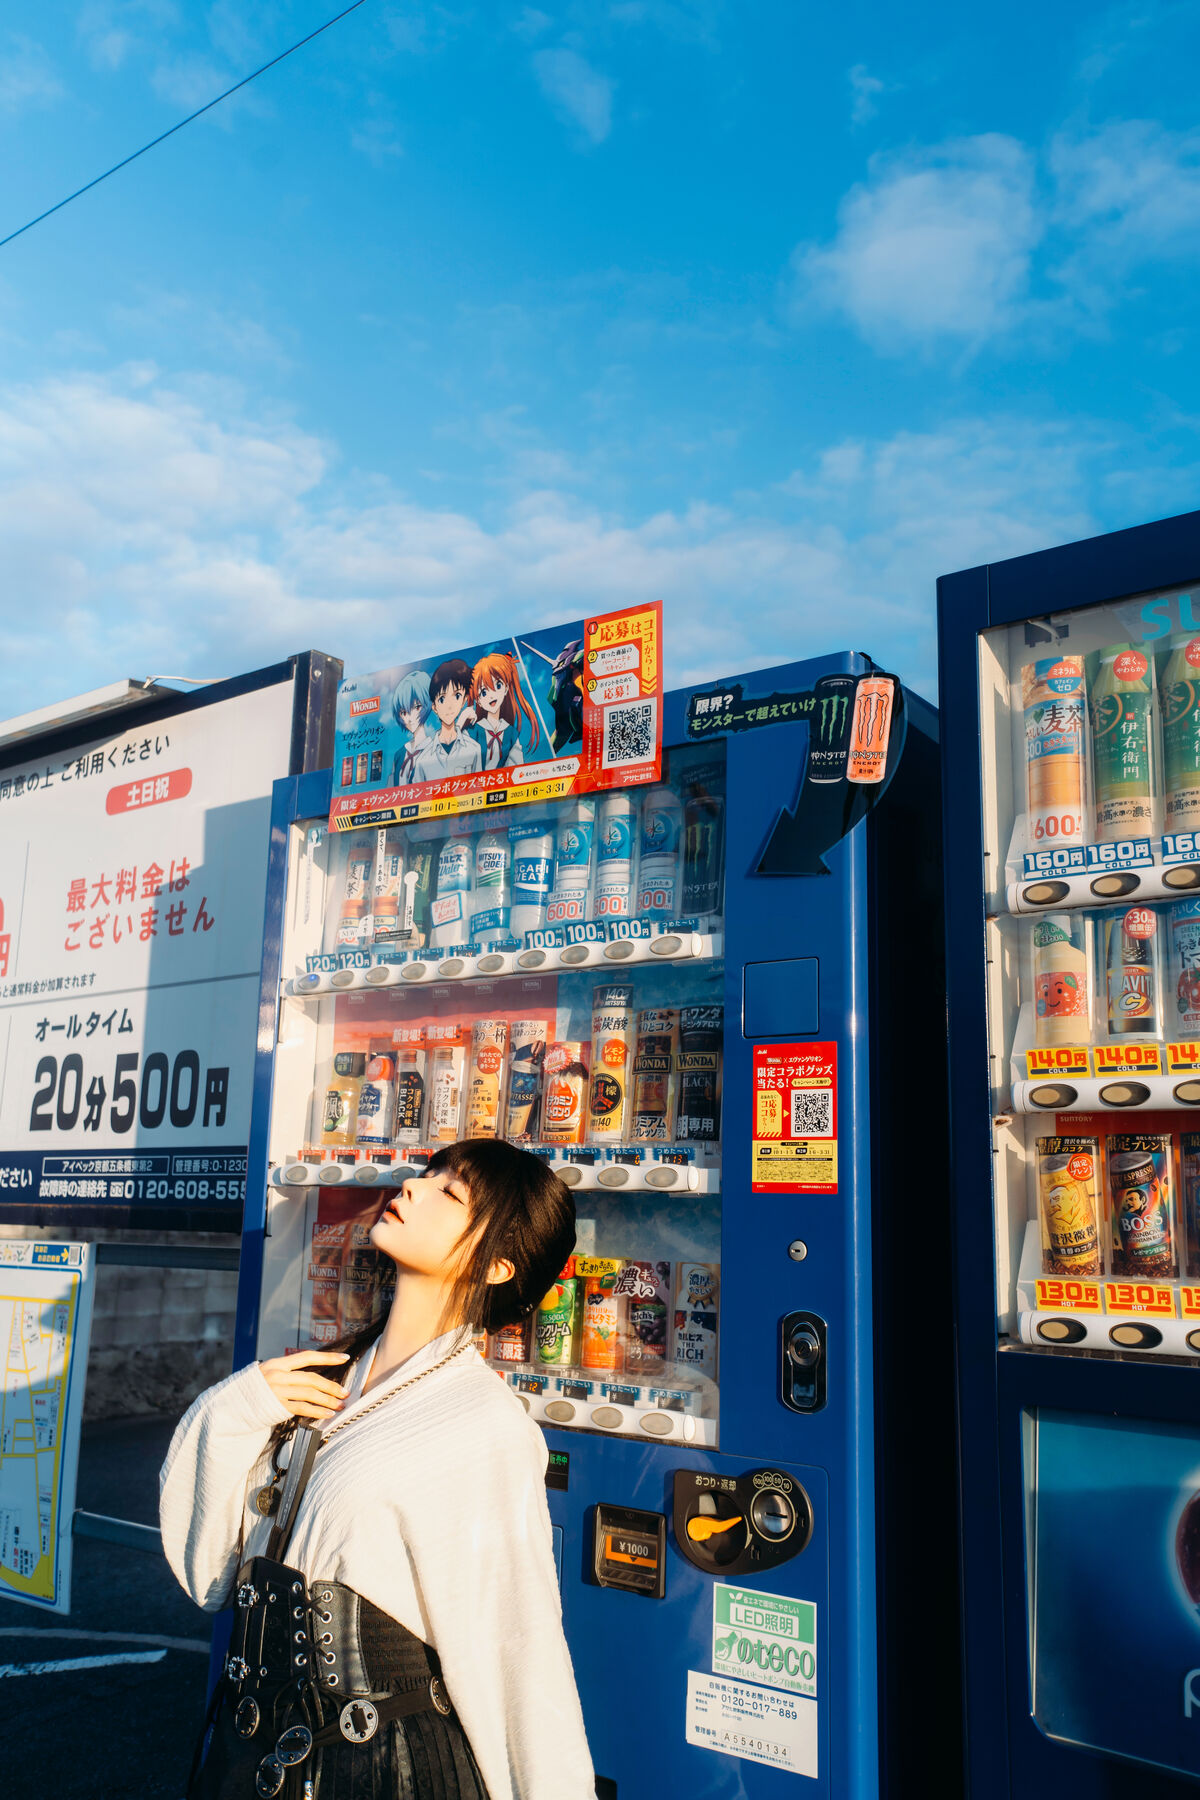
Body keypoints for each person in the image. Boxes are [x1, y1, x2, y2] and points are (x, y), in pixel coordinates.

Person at [160, 1139, 595, 1800]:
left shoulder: (487, 1426)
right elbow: (211, 1571)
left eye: (450, 1192)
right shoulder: (326, 1378)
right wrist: (242, 1405)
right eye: (428, 1173)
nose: (413, 1187)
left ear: (499, 1265)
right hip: (255, 1749)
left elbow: (517, 1647)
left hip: (381, 1769)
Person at [403, 660, 484, 785]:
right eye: (442, 699)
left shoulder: (473, 749)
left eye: (457, 696)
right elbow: (418, 793)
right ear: (434, 707)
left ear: (464, 700)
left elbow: (479, 788)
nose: (449, 706)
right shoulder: (423, 760)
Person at [465, 652, 541, 771]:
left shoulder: (511, 733)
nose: (491, 695)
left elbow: (517, 767)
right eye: (484, 692)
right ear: (478, 700)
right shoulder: (473, 732)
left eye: (498, 685)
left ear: (506, 688)